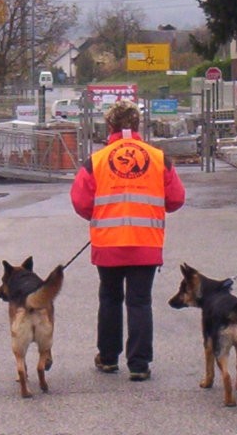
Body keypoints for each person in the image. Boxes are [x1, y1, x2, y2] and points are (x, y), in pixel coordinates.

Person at [70, 99, 185, 381]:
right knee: (140, 302)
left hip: (108, 243)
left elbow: (80, 201)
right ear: (137, 125)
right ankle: (139, 363)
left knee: (109, 298)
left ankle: (108, 358)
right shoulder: (159, 159)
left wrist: (101, 215)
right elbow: (176, 199)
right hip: (145, 243)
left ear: (109, 126)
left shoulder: (95, 161)